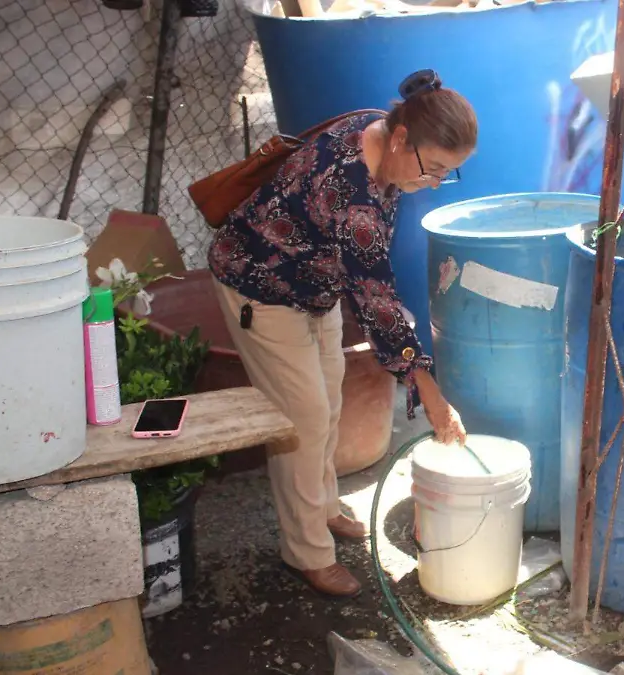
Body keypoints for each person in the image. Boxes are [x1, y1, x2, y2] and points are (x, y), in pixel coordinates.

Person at [207, 70, 473, 598]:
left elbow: (367, 282)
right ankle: (306, 552)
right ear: (401, 140)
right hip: (260, 285)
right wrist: (431, 392)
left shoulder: (378, 128)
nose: (436, 183)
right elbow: (375, 297)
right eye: (435, 170)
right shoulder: (352, 195)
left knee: (328, 400)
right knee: (302, 418)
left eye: (450, 174)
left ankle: (324, 508)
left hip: (314, 281)